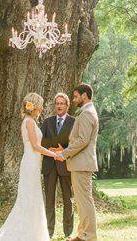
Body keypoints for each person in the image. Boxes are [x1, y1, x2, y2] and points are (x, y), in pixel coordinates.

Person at [0, 93, 58, 241]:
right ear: (34, 107)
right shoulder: (29, 122)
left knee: (32, 196)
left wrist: (52, 150)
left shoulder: (29, 121)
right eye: (39, 105)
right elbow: (35, 146)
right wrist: (53, 155)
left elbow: (38, 145)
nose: (41, 108)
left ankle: (33, 232)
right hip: (30, 162)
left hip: (32, 162)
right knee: (29, 197)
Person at [53, 83, 99, 241]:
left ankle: (88, 236)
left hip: (82, 164)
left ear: (84, 95)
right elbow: (80, 140)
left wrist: (64, 154)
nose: (73, 100)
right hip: (80, 163)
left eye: (76, 96)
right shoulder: (87, 112)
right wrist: (64, 149)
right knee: (81, 201)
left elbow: (83, 140)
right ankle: (82, 234)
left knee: (84, 201)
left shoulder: (86, 113)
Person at [40, 93, 75, 238]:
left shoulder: (74, 122)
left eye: (62, 103)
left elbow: (76, 143)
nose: (59, 106)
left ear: (67, 105)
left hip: (66, 165)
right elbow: (41, 142)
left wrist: (63, 151)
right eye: (57, 103)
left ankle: (68, 231)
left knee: (68, 199)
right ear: (55, 106)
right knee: (49, 200)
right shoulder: (47, 122)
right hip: (49, 165)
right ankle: (49, 230)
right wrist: (55, 148)